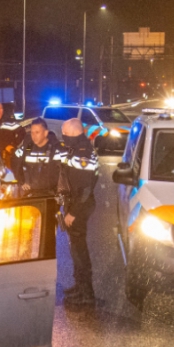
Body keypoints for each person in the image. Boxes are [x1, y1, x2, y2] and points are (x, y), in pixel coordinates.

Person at [55, 118, 100, 308]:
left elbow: (85, 189)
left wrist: (72, 213)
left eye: (64, 133)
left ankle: (86, 293)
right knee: (75, 248)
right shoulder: (76, 148)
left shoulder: (83, 153)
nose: (63, 136)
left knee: (79, 251)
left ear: (72, 133)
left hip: (79, 207)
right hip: (75, 205)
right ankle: (79, 286)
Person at [12, 117, 61, 195]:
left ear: (45, 133)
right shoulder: (27, 147)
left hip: (49, 195)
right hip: (29, 193)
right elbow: (15, 162)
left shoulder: (55, 149)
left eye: (37, 132)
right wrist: (22, 181)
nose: (33, 136)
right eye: (32, 132)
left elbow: (63, 172)